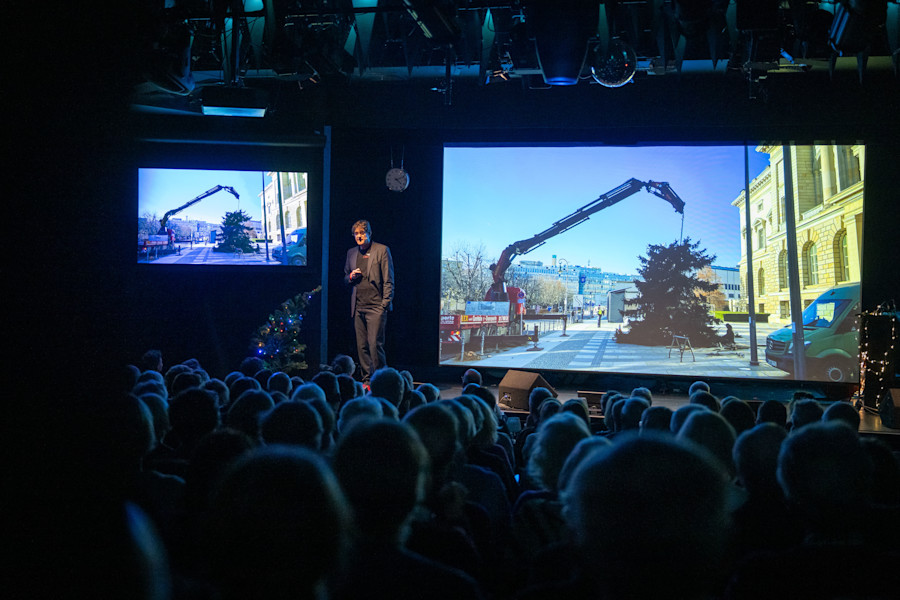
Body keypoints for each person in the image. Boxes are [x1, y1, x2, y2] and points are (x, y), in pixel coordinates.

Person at [344, 219, 394, 383]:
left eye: (362, 233)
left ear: (369, 233)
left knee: (374, 345)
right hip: (358, 307)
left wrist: (385, 304)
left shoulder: (381, 250)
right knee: (362, 346)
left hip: (376, 307)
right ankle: (367, 380)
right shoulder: (351, 253)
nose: (359, 236)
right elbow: (345, 278)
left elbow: (388, 279)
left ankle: (381, 380)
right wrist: (351, 277)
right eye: (356, 234)